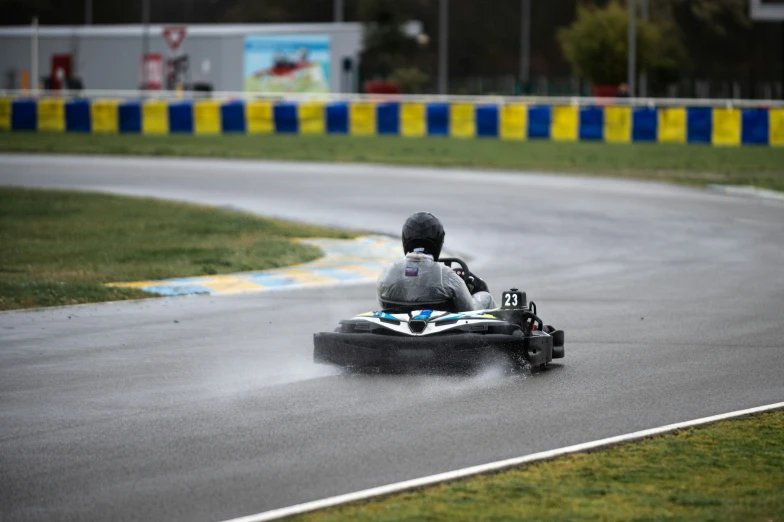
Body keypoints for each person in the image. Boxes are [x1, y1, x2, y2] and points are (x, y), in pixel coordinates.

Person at [377, 212, 496, 312]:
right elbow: (469, 311)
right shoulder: (447, 276)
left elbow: (383, 305)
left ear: (405, 238)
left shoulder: (388, 273)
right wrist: (478, 287)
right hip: (442, 331)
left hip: (396, 328)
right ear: (438, 240)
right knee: (486, 297)